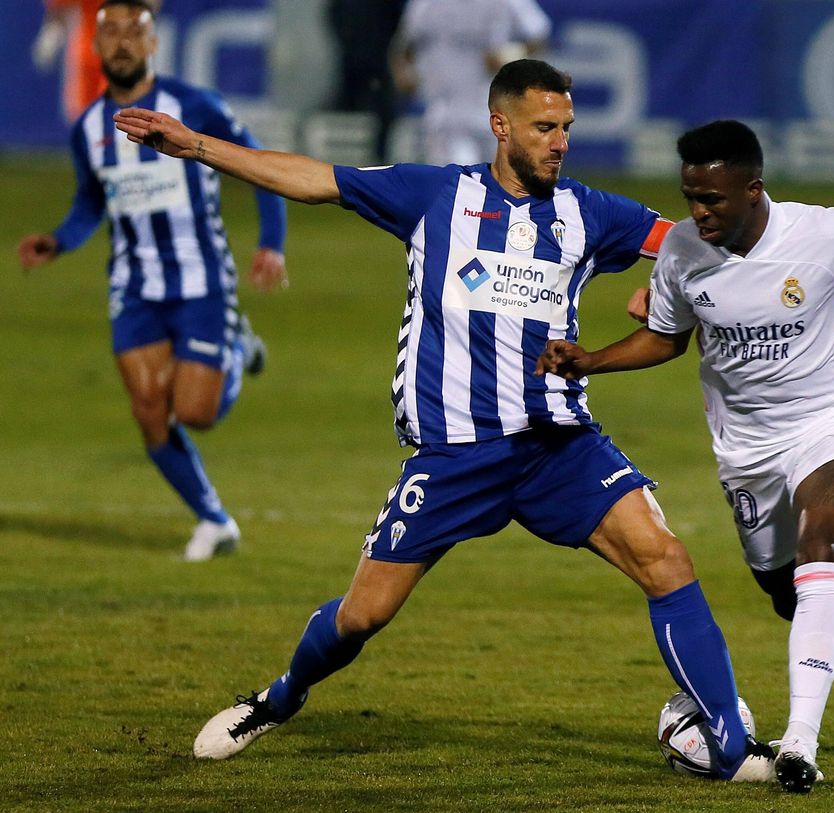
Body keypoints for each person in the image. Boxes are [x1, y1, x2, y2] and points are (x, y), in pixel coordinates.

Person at [113, 60, 776, 782]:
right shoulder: (436, 195)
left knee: (666, 559)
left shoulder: (592, 213)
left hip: (558, 443)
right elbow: (313, 178)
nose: (559, 142)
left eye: (567, 129)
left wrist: (670, 285)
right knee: (362, 616)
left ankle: (729, 746)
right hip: (455, 454)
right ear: (501, 126)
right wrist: (199, 146)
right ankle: (278, 697)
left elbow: (702, 237)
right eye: (544, 128)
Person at [536, 120, 834, 794]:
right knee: (787, 593)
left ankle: (799, 744)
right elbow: (667, 339)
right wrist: (591, 362)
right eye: (690, 197)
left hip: (831, 426)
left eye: (713, 200)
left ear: (753, 189)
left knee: (821, 548)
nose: (699, 213)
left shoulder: (821, 233)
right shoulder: (682, 254)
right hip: (747, 451)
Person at [18, 0, 288, 562]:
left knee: (194, 414)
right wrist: (59, 241)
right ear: (93, 46)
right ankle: (214, 520)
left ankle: (238, 348)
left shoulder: (192, 106)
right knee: (148, 409)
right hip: (134, 285)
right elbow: (92, 201)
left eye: (132, 33)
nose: (120, 43)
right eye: (109, 32)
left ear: (152, 43)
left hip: (201, 278)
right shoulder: (90, 125)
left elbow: (262, 168)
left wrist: (271, 243)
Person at [395, 0, 551, 165]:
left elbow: (539, 36)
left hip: (495, 113)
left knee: (497, 184)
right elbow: (405, 46)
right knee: (460, 180)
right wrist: (404, 74)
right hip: (445, 115)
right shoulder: (426, 4)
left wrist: (508, 55)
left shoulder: (507, 2)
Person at [326, 0, 407, 164]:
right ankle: (341, 166)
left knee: (382, 115)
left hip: (379, 62)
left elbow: (400, 22)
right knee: (344, 114)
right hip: (353, 63)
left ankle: (380, 162)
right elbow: (334, 15)